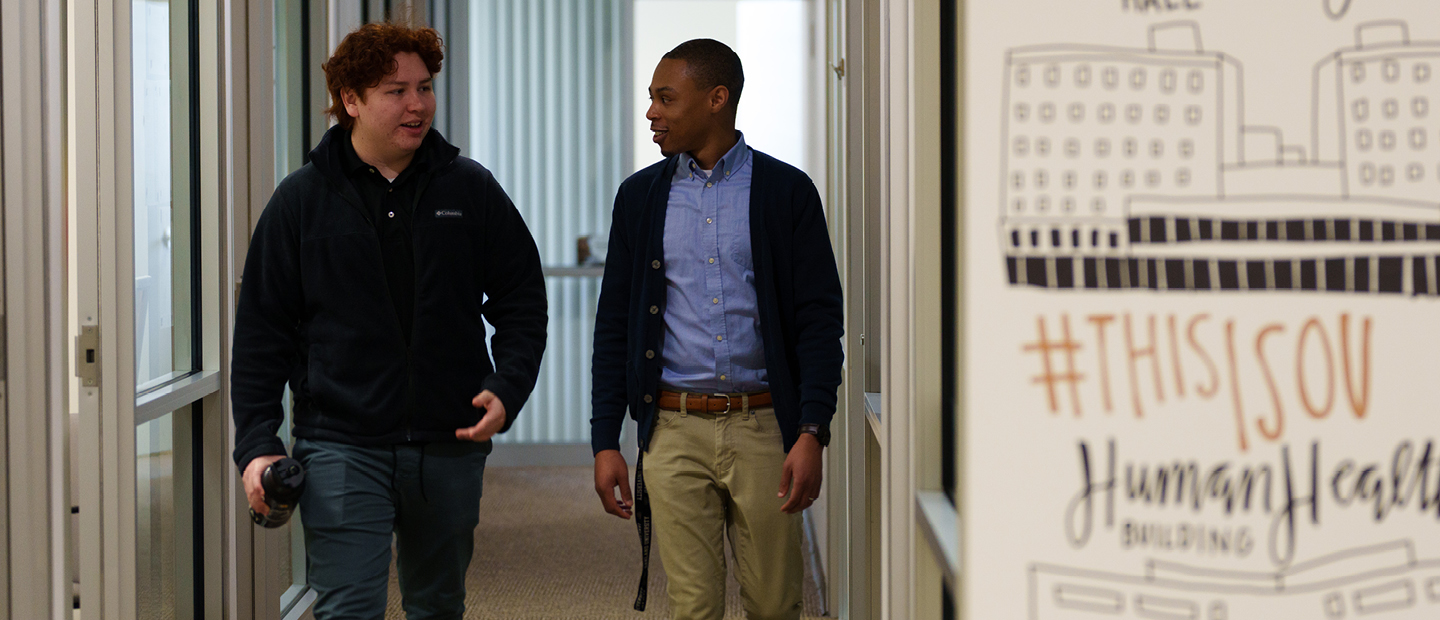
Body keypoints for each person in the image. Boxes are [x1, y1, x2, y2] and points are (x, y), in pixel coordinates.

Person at [230, 21, 547, 619]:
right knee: (348, 607)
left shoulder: (470, 189)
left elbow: (522, 300)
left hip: (450, 443)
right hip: (340, 443)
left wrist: (508, 388)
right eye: (396, 90)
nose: (417, 104)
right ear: (350, 101)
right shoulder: (301, 202)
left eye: (424, 87)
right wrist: (256, 446)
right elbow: (261, 334)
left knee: (436, 604)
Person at [590, 38, 844, 620]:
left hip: (764, 429)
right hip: (673, 429)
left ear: (716, 99)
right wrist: (606, 440)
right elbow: (614, 327)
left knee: (775, 604)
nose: (651, 112)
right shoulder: (639, 198)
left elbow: (818, 321)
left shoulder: (787, 192)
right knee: (693, 608)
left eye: (664, 97)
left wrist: (812, 430)